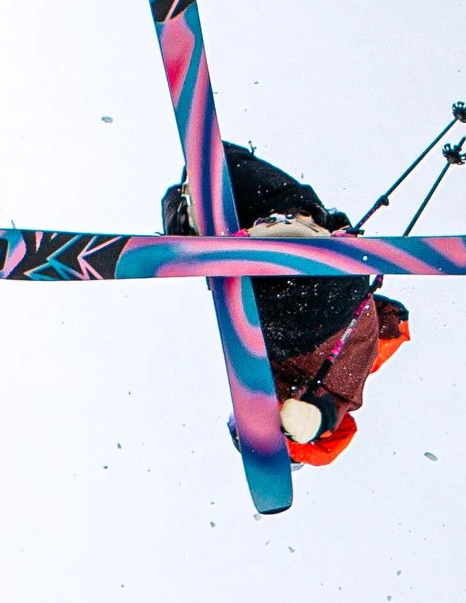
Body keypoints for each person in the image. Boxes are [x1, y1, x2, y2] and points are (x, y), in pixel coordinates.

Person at [160, 145, 412, 465]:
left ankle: (207, 211)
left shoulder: (260, 371)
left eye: (236, 422)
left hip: (305, 241)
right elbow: (334, 416)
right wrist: (314, 422)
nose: (241, 415)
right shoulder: (350, 370)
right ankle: (287, 229)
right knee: (277, 317)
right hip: (318, 312)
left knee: (231, 168)